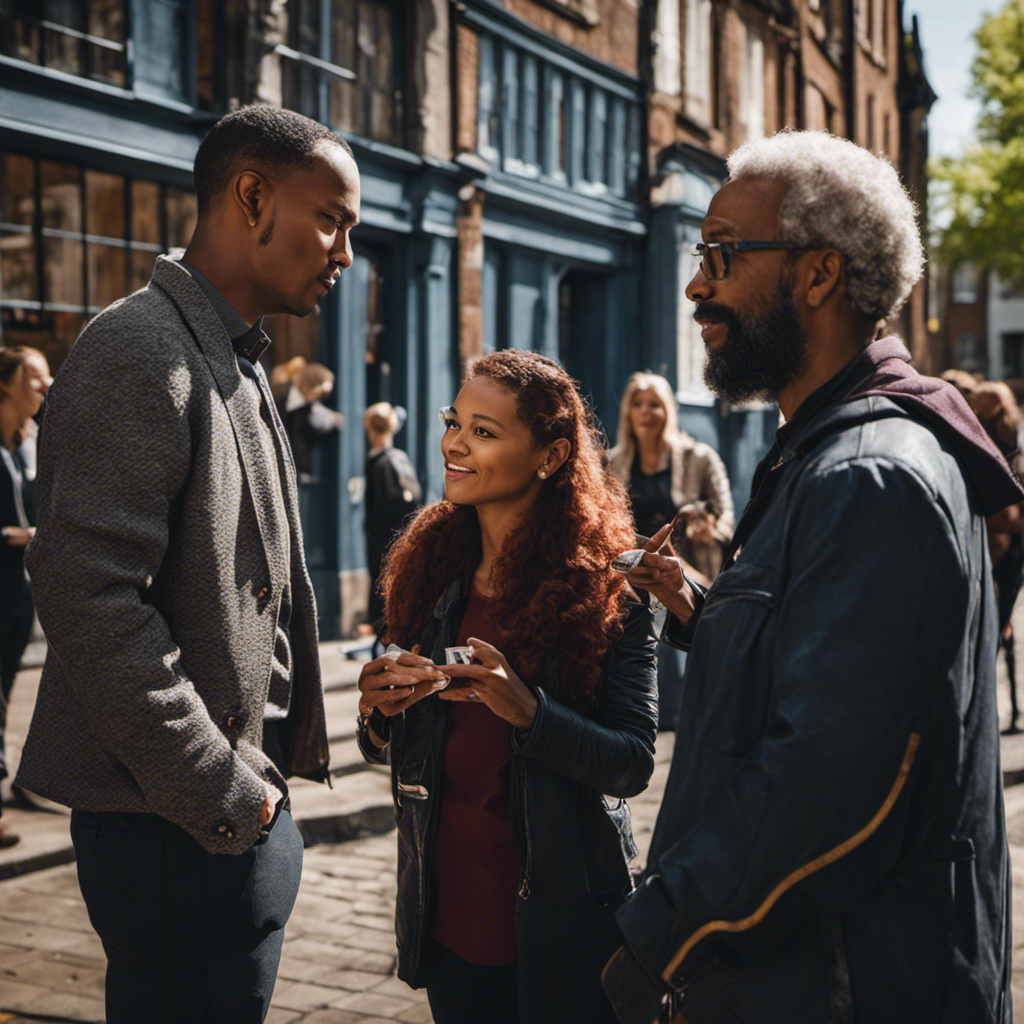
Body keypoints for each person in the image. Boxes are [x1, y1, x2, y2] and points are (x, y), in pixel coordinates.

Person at [601, 130, 1020, 1023]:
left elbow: (832, 785)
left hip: (846, 985)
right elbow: (833, 675)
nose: (696, 284)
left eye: (721, 254)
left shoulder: (872, 475)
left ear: (819, 275)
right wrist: (704, 611)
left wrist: (661, 933)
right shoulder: (826, 452)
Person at [14, 104, 359, 1023]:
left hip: (228, 821)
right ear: (252, 197)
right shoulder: (139, 350)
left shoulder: (236, 360)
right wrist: (224, 793)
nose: (344, 253)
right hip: (175, 831)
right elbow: (87, 598)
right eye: (332, 218)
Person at [355, 349, 658, 1024]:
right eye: (453, 422)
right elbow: (403, 749)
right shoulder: (432, 572)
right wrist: (378, 716)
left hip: (562, 934)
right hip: (448, 925)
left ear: (550, 457)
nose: (453, 445)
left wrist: (529, 712)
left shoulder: (606, 592)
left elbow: (633, 761)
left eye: (484, 433)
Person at [608, 371, 733, 729]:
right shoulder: (612, 463)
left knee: (686, 678)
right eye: (637, 404)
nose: (645, 412)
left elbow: (726, 521)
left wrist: (703, 523)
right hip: (629, 578)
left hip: (687, 575)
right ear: (628, 412)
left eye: (655, 404)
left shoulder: (699, 458)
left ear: (669, 410)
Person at [0, 346, 50, 848]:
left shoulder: (24, 445)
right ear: (6, 384)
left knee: (6, 691)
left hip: (18, 590)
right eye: (35, 376)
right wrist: (15, 535)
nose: (46, 385)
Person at [966, 380, 1024, 734]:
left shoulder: (1008, 454)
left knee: (992, 638)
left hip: (1005, 554)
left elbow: (1008, 520)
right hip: (1000, 554)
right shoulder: (1003, 447)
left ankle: (1001, 717)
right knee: (997, 637)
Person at [362, 401, 421, 638]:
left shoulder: (383, 462)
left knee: (382, 581)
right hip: (399, 535)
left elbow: (392, 502)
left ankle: (383, 630)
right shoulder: (398, 459)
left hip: (384, 536)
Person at [276, 358, 345, 482]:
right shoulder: (282, 397)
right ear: (309, 385)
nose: (322, 396)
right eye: (322, 392)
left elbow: (328, 419)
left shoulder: (312, 407)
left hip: (299, 473)